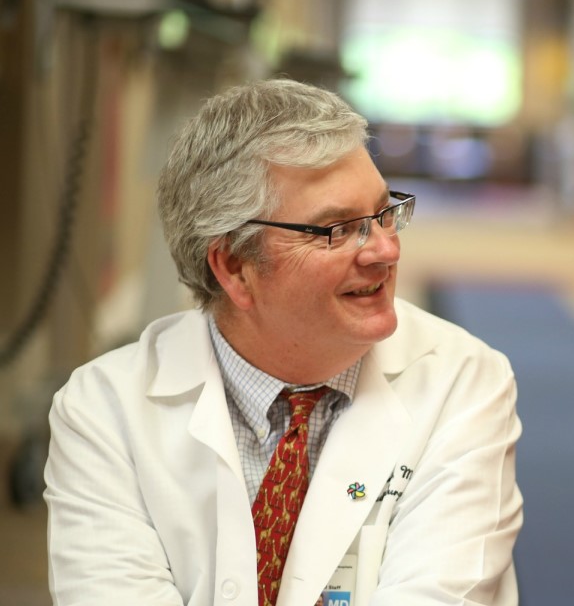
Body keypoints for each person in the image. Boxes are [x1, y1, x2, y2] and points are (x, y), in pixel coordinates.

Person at [44, 78, 523, 606]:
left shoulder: (463, 381)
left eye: (385, 213)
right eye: (337, 230)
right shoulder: (103, 410)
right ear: (234, 267)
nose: (386, 250)